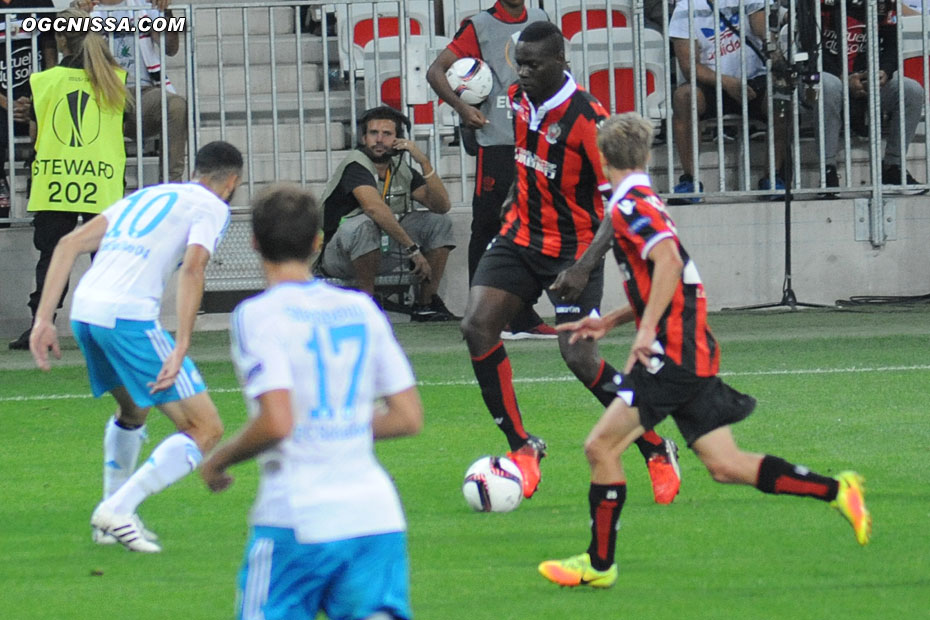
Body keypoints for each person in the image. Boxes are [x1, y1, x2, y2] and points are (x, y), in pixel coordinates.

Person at [538, 112, 872, 589]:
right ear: (645, 156)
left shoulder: (630, 207)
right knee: (724, 466)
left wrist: (647, 331)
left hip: (670, 354)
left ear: (600, 158)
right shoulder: (639, 199)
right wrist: (611, 320)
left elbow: (670, 262)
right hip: (686, 351)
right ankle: (839, 491)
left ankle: (599, 564)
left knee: (601, 446)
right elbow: (673, 278)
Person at [460, 22, 681, 505]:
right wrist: (518, 191)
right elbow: (527, 155)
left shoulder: (589, 119)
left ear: (562, 61)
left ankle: (654, 445)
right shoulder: (518, 97)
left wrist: (584, 265)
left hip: (572, 250)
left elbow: (620, 200)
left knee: (579, 357)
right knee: (477, 327)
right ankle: (522, 447)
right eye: (519, 62)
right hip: (519, 235)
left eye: (533, 64)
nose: (523, 72)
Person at [201, 183, 423, 620]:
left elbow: (278, 422)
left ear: (254, 243)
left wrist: (218, 460)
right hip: (374, 516)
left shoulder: (258, 315)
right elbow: (408, 417)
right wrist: (343, 419)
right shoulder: (360, 309)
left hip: (296, 518)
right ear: (318, 242)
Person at [29, 140, 244, 553]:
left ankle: (108, 521)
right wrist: (181, 343)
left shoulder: (147, 194)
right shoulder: (212, 206)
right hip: (128, 318)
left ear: (195, 170)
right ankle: (118, 509)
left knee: (134, 409)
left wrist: (43, 320)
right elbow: (194, 268)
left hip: (86, 313)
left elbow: (68, 243)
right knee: (205, 428)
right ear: (231, 182)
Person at [427, 0, 558, 339]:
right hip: (496, 141)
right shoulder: (480, 25)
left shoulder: (541, 19)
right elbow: (435, 71)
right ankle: (482, 316)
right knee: (488, 226)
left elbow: (558, 70)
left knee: (532, 227)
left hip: (534, 138)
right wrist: (461, 109)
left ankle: (521, 314)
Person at [9, 6, 127, 351]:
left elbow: (36, 135)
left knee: (51, 256)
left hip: (55, 181)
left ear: (61, 40)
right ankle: (111, 330)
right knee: (105, 259)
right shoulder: (116, 80)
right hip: (102, 182)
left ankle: (40, 327)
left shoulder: (43, 83)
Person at [318, 105, 459, 322]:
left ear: (398, 140)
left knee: (439, 222)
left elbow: (441, 205)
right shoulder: (355, 166)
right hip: (338, 257)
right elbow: (374, 208)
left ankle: (426, 303)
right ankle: (368, 303)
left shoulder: (400, 168)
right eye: (373, 133)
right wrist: (412, 249)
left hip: (381, 251)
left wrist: (423, 161)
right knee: (365, 222)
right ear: (364, 138)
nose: (379, 140)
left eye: (387, 134)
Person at [668, 0, 786, 204]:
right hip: (712, 83)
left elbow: (762, 30)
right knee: (684, 97)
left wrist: (773, 48)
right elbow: (689, 67)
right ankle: (690, 181)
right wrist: (726, 82)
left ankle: (773, 178)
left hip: (754, 80)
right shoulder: (685, 8)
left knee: (783, 98)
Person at [817, 0, 924, 190]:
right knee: (827, 85)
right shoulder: (820, 3)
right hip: (831, 75)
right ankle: (827, 169)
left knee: (911, 90)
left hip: (869, 78)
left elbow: (892, 45)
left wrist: (885, 71)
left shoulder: (884, 3)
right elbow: (813, 49)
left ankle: (893, 166)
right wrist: (845, 77)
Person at [91, 0, 189, 183]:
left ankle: (171, 185)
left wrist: (165, 11)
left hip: (143, 92)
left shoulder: (143, 5)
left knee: (176, 106)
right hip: (102, 92)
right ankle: (105, 186)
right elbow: (74, 51)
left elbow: (171, 48)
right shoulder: (88, 8)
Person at [0, 0, 57, 224]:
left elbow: (51, 51)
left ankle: (43, 199)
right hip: (3, 102)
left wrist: (39, 99)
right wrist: (8, 104)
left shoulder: (39, 1)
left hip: (37, 96)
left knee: (57, 116)